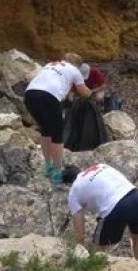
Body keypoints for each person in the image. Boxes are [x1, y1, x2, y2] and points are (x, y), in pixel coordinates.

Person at [24, 53, 91, 183]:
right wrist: (90, 93)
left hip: (30, 95)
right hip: (49, 97)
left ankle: (48, 165)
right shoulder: (74, 70)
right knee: (57, 134)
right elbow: (84, 91)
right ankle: (58, 171)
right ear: (78, 64)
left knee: (46, 130)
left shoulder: (50, 65)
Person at [62, 163, 138, 260]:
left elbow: (79, 231)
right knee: (136, 235)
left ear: (68, 184)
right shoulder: (100, 166)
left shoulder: (74, 190)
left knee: (98, 248)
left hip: (115, 208)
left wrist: (78, 251)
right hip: (137, 198)